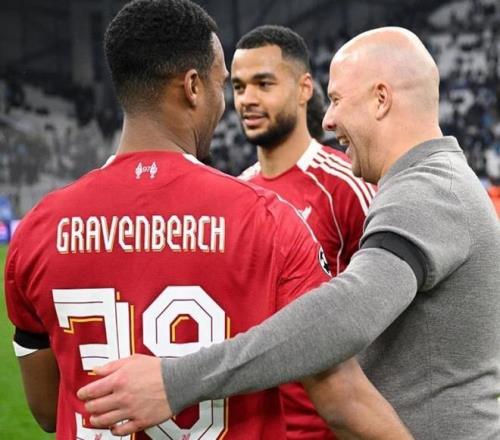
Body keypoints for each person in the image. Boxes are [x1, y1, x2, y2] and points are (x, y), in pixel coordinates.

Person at [4, 2, 411, 439]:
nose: (229, 103)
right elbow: (339, 394)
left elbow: (46, 409)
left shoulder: (39, 230)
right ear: (194, 87)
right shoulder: (267, 219)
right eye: (223, 84)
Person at [79, 26, 500, 439]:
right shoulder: (428, 184)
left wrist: (174, 382)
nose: (328, 119)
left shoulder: (428, 191)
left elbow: (346, 315)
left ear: (380, 99)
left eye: (337, 100)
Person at [233, 25, 375, 439]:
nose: (247, 99)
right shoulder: (237, 195)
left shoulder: (346, 185)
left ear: (304, 89)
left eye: (264, 84)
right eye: (239, 87)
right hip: (258, 426)